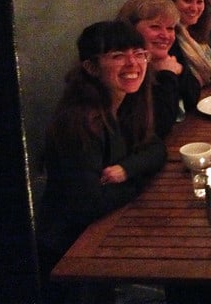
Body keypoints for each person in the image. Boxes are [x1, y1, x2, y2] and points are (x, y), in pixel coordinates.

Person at [37, 21, 167, 303]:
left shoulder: (127, 102)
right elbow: (89, 204)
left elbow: (157, 149)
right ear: (91, 67)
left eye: (138, 53)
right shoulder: (80, 122)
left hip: (102, 236)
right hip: (69, 256)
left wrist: (127, 169)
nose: (133, 63)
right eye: (117, 55)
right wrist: (140, 181)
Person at [116, 0, 201, 137]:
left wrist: (179, 71)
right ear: (131, 28)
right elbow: (159, 127)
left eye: (170, 28)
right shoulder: (126, 68)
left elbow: (193, 97)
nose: (165, 35)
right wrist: (167, 74)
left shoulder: (164, 52)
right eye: (155, 27)